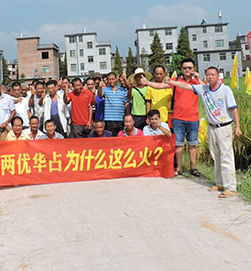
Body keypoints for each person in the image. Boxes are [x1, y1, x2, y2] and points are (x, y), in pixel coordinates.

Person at [141, 67, 242, 198]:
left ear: (218, 76)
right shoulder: (203, 89)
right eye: (208, 75)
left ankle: (231, 187)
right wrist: (170, 82)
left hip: (224, 127)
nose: (210, 77)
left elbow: (233, 109)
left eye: (213, 75)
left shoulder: (225, 90)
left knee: (226, 157)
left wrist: (238, 126)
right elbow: (185, 86)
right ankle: (220, 183)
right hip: (212, 127)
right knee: (216, 156)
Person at [169, 58, 203, 177]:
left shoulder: (197, 82)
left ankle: (193, 167)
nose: (187, 70)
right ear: (181, 69)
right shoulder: (175, 80)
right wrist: (147, 83)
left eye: (190, 68)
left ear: (194, 68)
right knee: (178, 144)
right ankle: (179, 168)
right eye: (185, 68)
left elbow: (207, 90)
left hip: (193, 117)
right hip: (178, 117)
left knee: (192, 144)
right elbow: (161, 86)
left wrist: (198, 78)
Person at [97, 72, 128, 136]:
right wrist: (100, 87)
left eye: (113, 79)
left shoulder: (122, 90)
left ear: (116, 79)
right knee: (110, 138)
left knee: (120, 137)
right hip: (109, 119)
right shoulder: (105, 90)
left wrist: (127, 116)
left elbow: (126, 103)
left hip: (120, 119)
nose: (111, 81)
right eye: (109, 79)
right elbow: (100, 95)